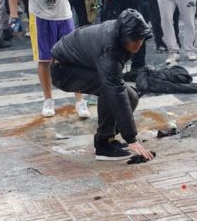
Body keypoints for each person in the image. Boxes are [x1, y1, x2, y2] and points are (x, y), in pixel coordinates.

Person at [50, 9, 155, 162]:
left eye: (140, 39)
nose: (137, 44)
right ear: (123, 37)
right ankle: (103, 144)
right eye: (133, 40)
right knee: (109, 88)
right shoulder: (109, 47)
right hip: (63, 69)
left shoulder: (121, 33)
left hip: (83, 65)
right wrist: (131, 139)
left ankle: (109, 138)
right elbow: (114, 88)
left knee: (131, 96)